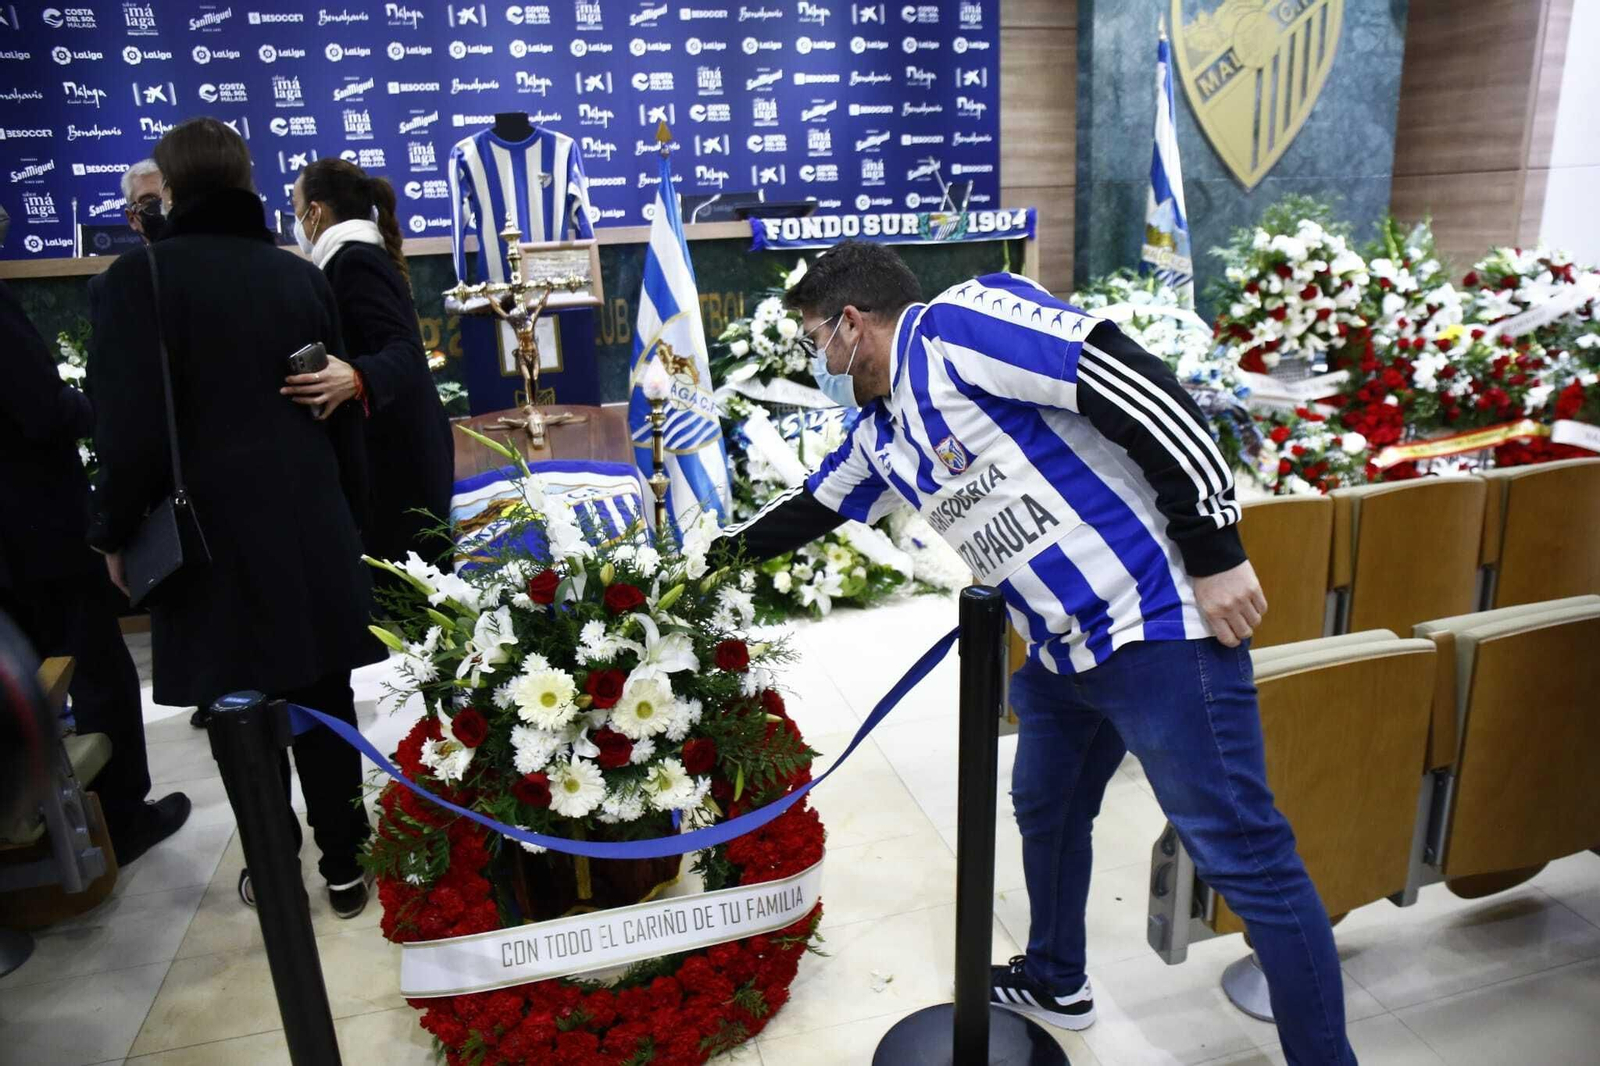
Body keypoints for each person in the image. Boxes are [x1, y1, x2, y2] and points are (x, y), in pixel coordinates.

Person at [714, 241, 1356, 1065]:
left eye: (814, 342)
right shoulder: (879, 434)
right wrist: (692, 573)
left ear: (850, 323)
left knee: (1245, 857)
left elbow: (1145, 390)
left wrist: (1214, 548)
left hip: (1154, 624)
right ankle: (1058, 976)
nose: (817, 362)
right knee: (1046, 808)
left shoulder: (961, 327)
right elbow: (808, 509)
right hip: (1060, 655)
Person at [86, 117, 382, 918]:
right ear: (247, 180)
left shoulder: (134, 282)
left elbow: (127, 430)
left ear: (171, 191)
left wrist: (112, 531)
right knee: (324, 697)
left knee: (237, 706)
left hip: (207, 538)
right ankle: (347, 864)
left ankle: (274, 862)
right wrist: (347, 522)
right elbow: (337, 410)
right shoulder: (296, 275)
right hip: (307, 523)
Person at [0, 256, 188, 866]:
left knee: (33, 675)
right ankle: (123, 817)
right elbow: (43, 410)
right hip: (40, 529)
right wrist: (87, 406)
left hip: (9, 540)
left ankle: (45, 817)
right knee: (98, 670)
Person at [281, 158, 453, 570]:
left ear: (315, 212)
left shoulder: (354, 261)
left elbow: (406, 351)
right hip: (400, 458)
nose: (295, 222)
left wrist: (357, 377)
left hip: (400, 466)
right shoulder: (353, 257)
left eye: (295, 207)